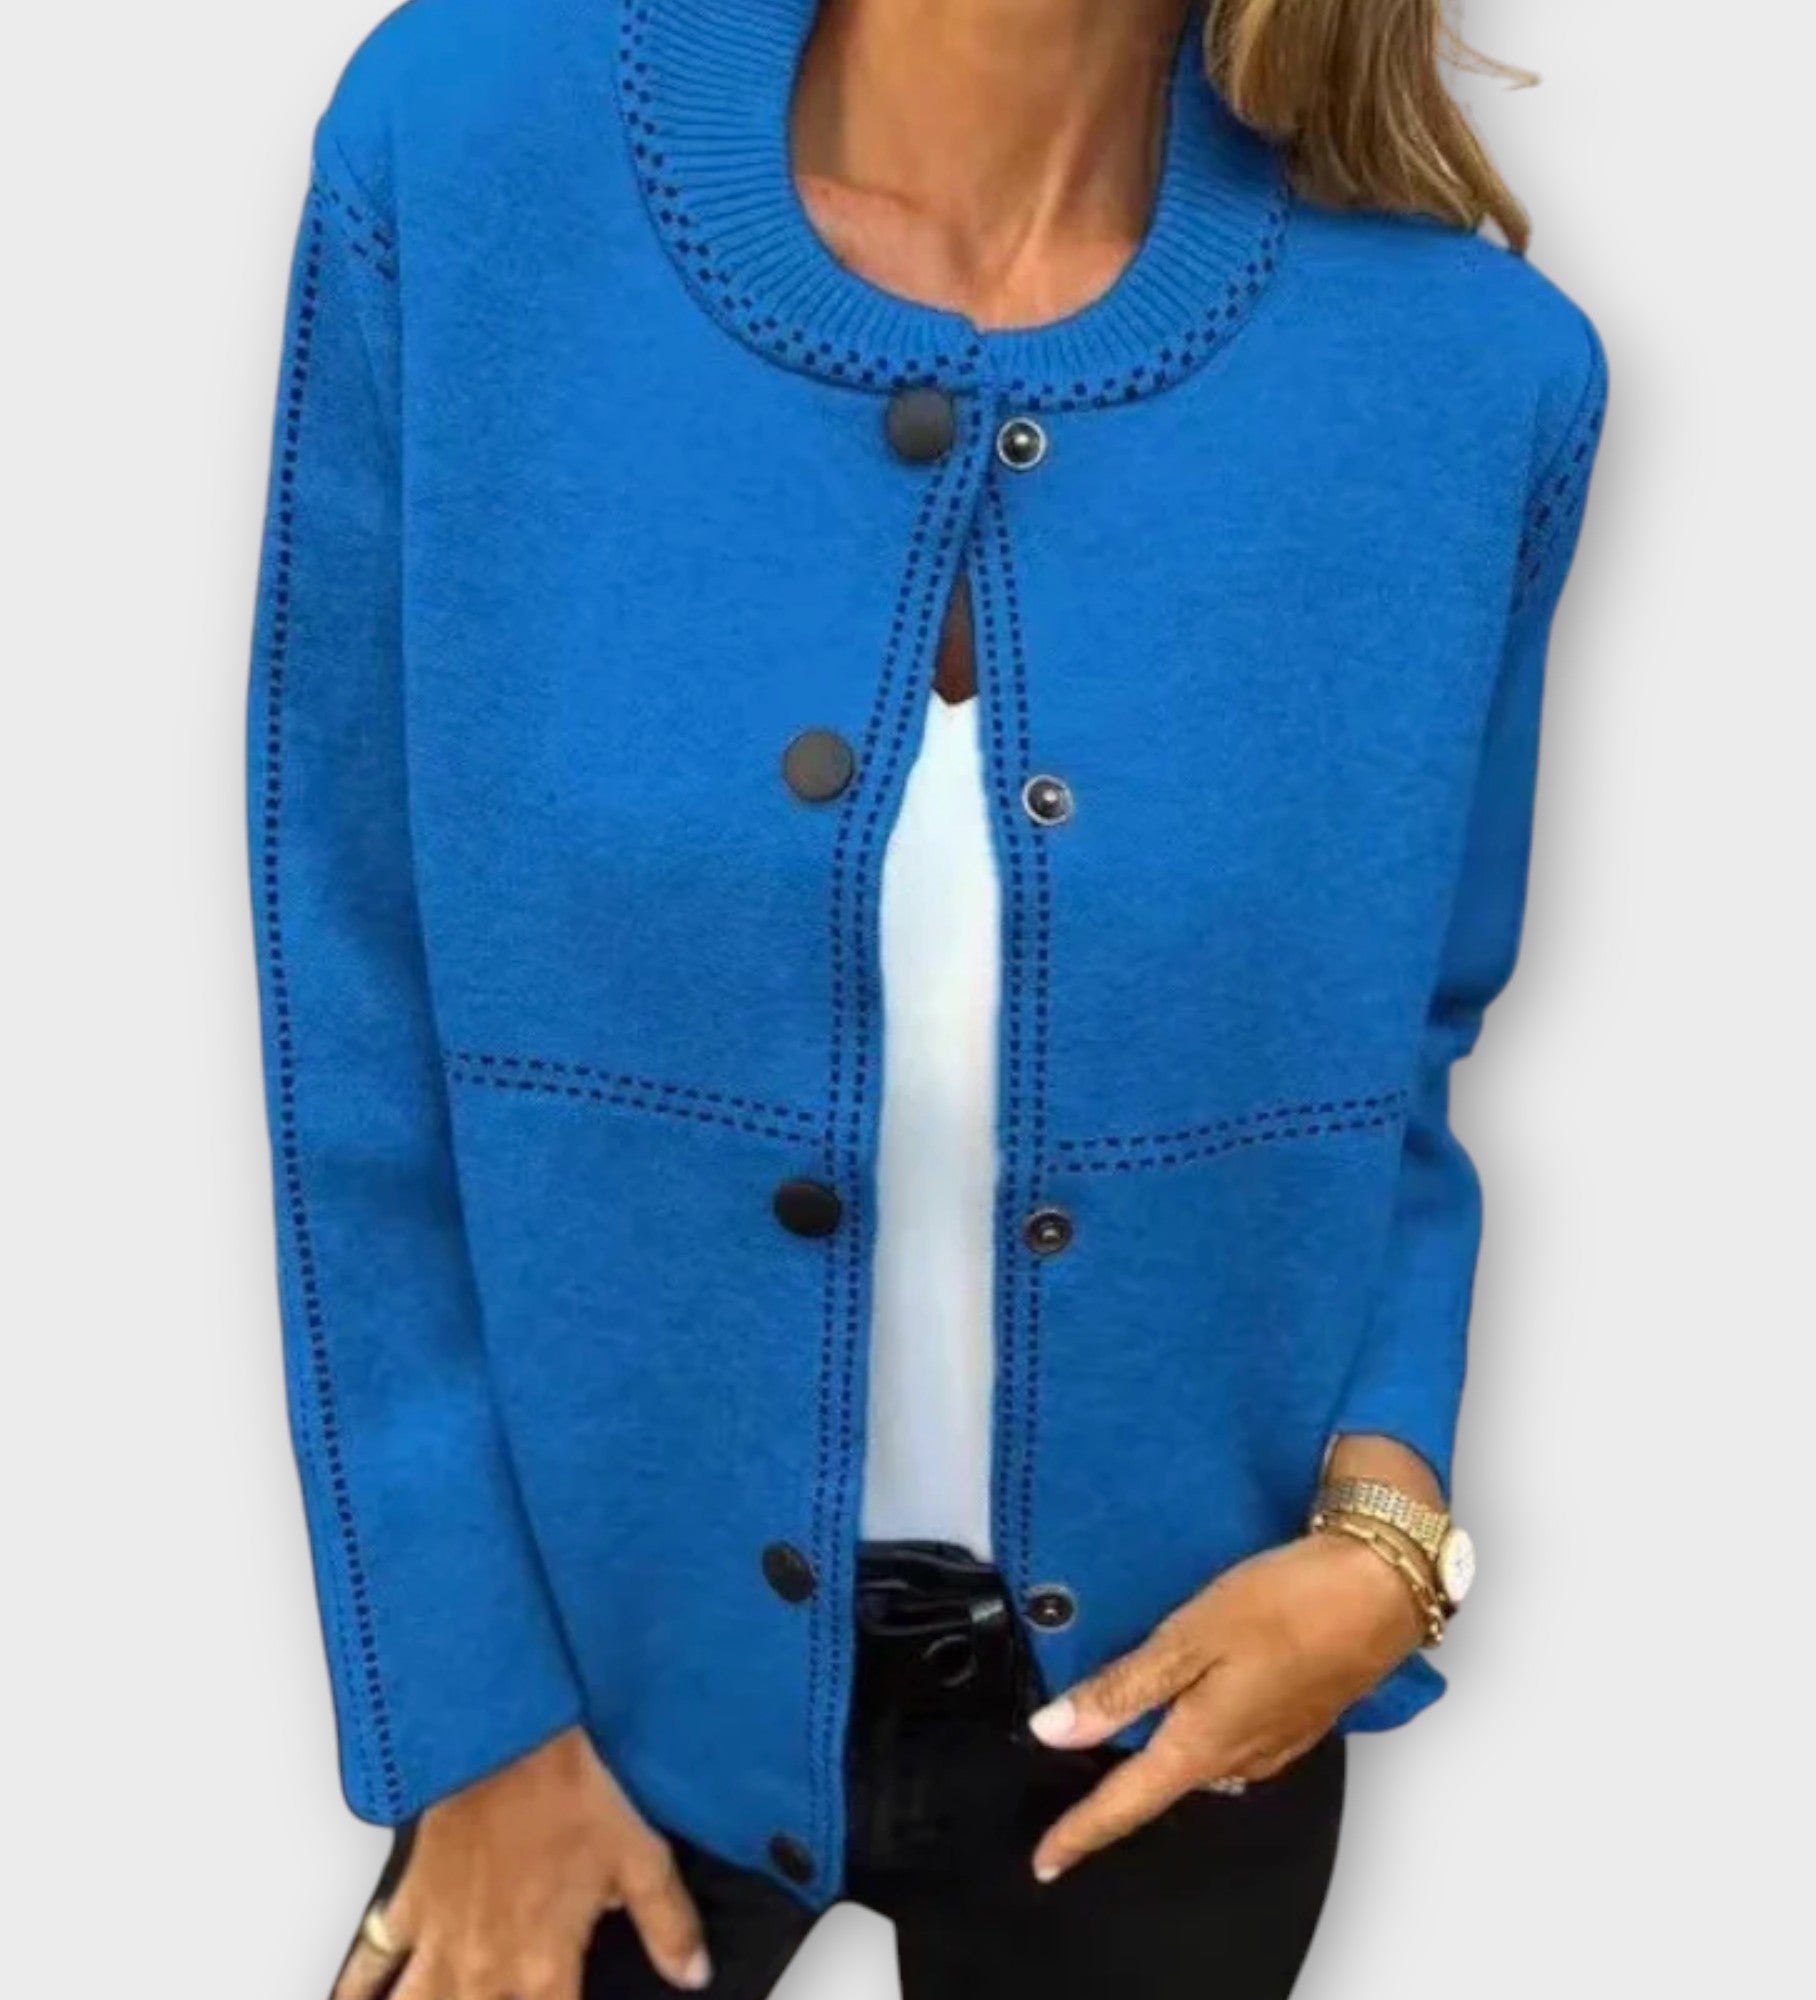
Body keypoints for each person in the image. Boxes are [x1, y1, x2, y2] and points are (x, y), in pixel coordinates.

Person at [243, 1, 1607, 1994]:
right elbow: (351, 995)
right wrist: (470, 1725)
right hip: (583, 1719)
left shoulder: (1468, 376)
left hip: (1171, 1719)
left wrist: (1383, 1540)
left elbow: (1400, 1049)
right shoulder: (472, 155)